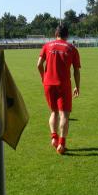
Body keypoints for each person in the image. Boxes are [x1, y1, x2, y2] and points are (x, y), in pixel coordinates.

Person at [37, 24, 81, 155]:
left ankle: (54, 137)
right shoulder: (72, 48)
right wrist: (77, 87)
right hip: (63, 85)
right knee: (64, 114)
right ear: (67, 35)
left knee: (54, 112)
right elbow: (76, 71)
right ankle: (61, 143)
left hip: (48, 84)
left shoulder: (47, 46)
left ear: (55, 34)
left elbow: (39, 64)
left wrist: (43, 78)